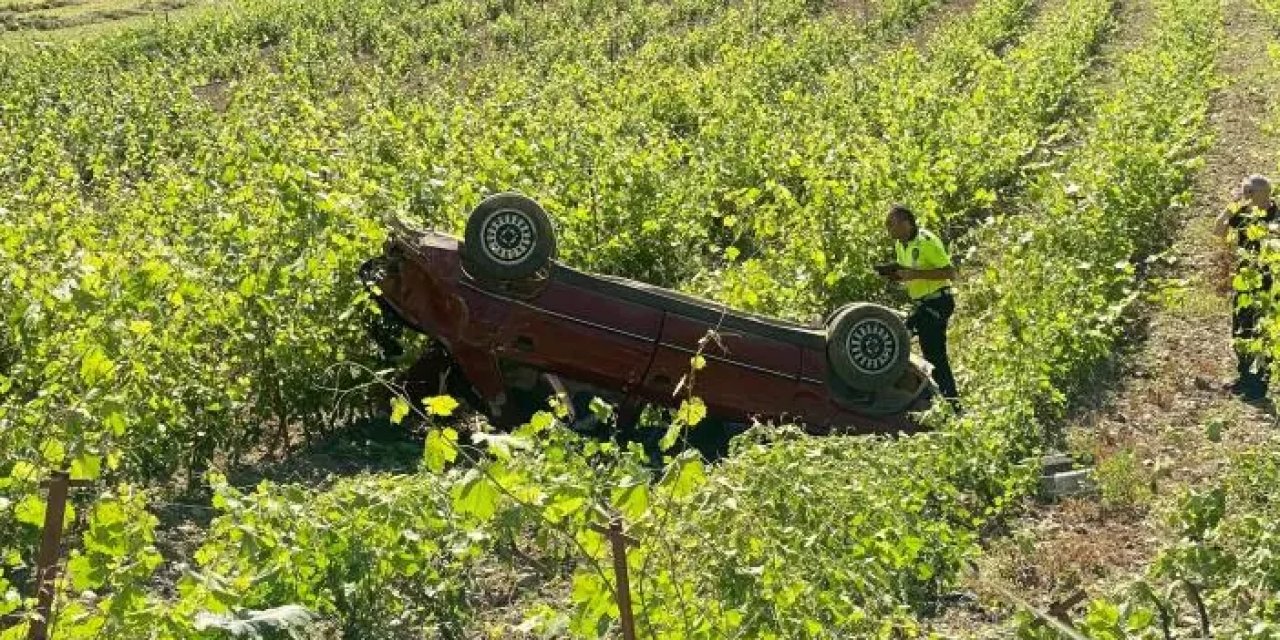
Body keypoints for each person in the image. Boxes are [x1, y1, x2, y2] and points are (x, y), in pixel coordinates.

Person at [882, 203, 961, 409]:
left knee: (902, 337)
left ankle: (949, 404)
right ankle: (944, 402)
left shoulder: (927, 241)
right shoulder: (901, 245)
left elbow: (949, 273)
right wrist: (897, 276)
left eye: (891, 224)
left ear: (906, 223)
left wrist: (915, 275)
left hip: (938, 301)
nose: (888, 229)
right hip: (922, 303)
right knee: (932, 355)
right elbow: (909, 272)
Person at [1213, 174, 1279, 401]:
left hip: (1270, 287)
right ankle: (1243, 378)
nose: (1247, 196)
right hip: (1245, 282)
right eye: (1244, 191)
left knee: (1262, 334)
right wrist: (1231, 207)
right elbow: (1218, 231)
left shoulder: (1276, 218)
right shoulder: (1242, 213)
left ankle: (1258, 387)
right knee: (1241, 329)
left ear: (1265, 194)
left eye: (1251, 192)